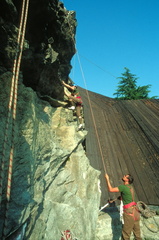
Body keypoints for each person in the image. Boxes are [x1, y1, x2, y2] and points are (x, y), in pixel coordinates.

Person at [105, 173, 142, 240]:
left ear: (127, 180)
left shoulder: (123, 187)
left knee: (126, 234)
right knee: (137, 234)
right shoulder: (131, 187)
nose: (124, 176)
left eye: (125, 176)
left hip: (129, 212)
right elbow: (127, 196)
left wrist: (107, 179)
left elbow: (111, 189)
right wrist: (119, 198)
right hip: (136, 212)